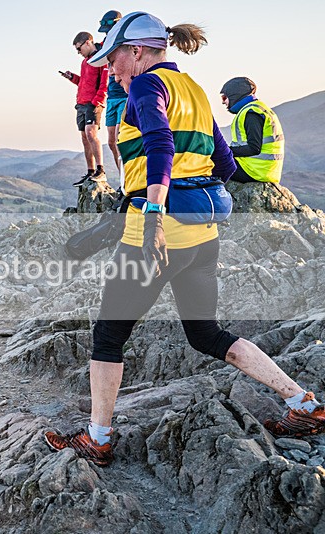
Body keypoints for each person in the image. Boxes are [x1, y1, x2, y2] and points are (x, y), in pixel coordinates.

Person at [44, 12, 325, 467]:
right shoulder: (192, 88)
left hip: (153, 234)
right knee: (206, 333)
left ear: (136, 50)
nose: (110, 68)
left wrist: (153, 213)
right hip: (202, 234)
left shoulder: (145, 85)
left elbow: (159, 144)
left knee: (108, 337)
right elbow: (225, 161)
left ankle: (97, 438)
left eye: (113, 58)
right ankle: (303, 405)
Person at [60, 32, 108, 186]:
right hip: (81, 103)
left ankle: (101, 170)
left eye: (79, 49)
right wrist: (72, 77)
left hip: (93, 103)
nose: (78, 53)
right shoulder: (85, 63)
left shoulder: (101, 59)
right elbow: (84, 83)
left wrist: (97, 101)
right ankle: (90, 171)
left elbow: (104, 83)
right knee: (84, 137)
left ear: (88, 42)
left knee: (91, 133)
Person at [221, 76, 285, 183]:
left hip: (254, 171)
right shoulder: (257, 108)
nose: (223, 102)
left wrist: (225, 151)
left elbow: (254, 148)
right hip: (262, 170)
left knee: (208, 162)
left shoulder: (251, 113)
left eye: (224, 98)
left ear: (234, 96)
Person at [99, 10, 127, 176]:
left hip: (124, 94)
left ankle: (128, 180)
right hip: (112, 96)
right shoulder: (106, 42)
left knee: (119, 139)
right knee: (111, 141)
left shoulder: (125, 40)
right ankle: (122, 177)